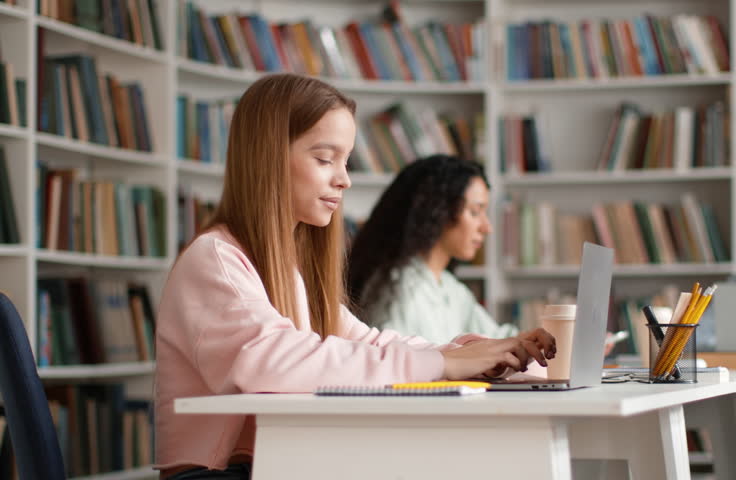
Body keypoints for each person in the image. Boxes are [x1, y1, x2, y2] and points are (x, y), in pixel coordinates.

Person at [153, 74, 556, 480]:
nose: (344, 179)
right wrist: (440, 362)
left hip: (278, 463)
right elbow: (269, 362)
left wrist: (480, 354)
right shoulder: (215, 259)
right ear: (267, 157)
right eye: (325, 159)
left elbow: (368, 341)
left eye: (345, 162)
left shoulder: (290, 269)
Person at [347, 155, 517, 344]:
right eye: (475, 212)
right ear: (439, 211)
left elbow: (499, 340)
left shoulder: (449, 288)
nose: (487, 227)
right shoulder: (402, 292)